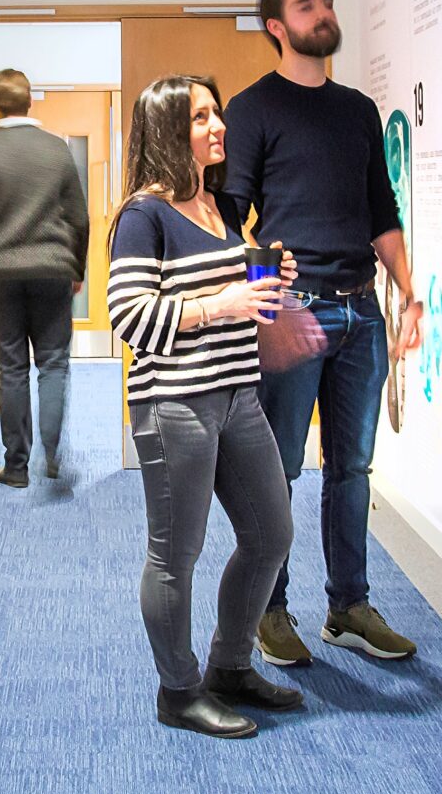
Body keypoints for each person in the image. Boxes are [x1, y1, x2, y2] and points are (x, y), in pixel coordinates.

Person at [222, 0, 427, 668]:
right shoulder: (253, 109)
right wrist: (264, 304)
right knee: (276, 469)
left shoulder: (358, 110)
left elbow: (382, 211)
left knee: (353, 469)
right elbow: (230, 218)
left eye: (328, 2)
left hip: (362, 310)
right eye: (306, 5)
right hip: (295, 306)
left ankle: (349, 607)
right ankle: (268, 609)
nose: (323, 13)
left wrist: (409, 292)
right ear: (276, 26)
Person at [108, 74, 302, 739]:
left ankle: (230, 665)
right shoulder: (144, 215)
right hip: (174, 405)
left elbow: (247, 308)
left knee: (270, 533)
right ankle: (179, 690)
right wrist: (219, 304)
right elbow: (127, 317)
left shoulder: (220, 208)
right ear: (168, 131)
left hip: (237, 394)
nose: (218, 125)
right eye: (200, 117)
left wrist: (270, 282)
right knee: (175, 554)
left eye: (216, 112)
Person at [0, 67, 90, 487]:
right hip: (52, 270)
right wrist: (77, 268)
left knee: (11, 369)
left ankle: (16, 467)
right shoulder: (56, 149)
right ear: (30, 102)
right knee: (53, 364)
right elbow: (80, 218)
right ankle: (52, 456)